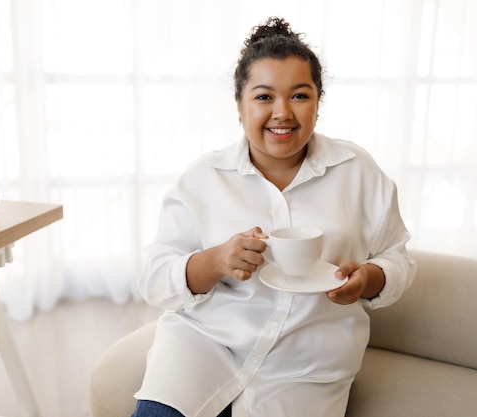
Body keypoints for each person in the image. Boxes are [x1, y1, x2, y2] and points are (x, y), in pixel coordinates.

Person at [132, 16, 416, 417]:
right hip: (202, 347)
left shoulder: (359, 171)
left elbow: (399, 258)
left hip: (307, 365)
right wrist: (215, 261)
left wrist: (370, 279)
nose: (282, 113)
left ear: (318, 103)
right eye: (264, 97)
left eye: (300, 96)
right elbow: (154, 280)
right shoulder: (203, 178)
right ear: (239, 106)